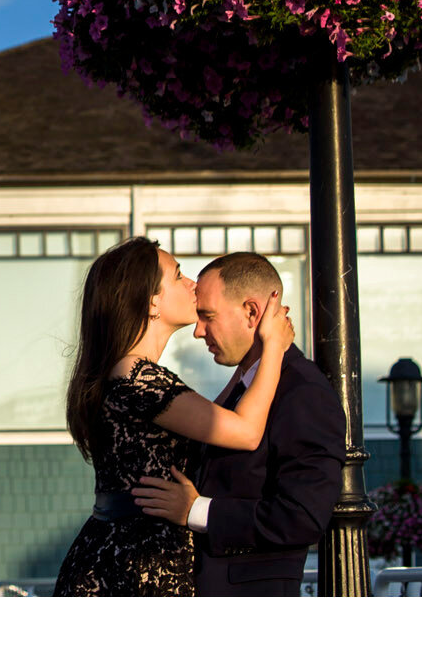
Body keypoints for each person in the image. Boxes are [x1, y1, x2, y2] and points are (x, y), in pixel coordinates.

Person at [53, 237, 293, 596]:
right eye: (179, 276)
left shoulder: (130, 373)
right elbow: (245, 432)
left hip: (124, 555)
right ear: (152, 302)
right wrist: (274, 345)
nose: (192, 284)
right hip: (135, 565)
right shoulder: (137, 378)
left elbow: (217, 421)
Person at [130, 252, 342, 597]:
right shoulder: (243, 387)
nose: (198, 332)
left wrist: (195, 510)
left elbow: (303, 516)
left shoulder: (304, 393)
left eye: (208, 316)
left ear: (252, 313)